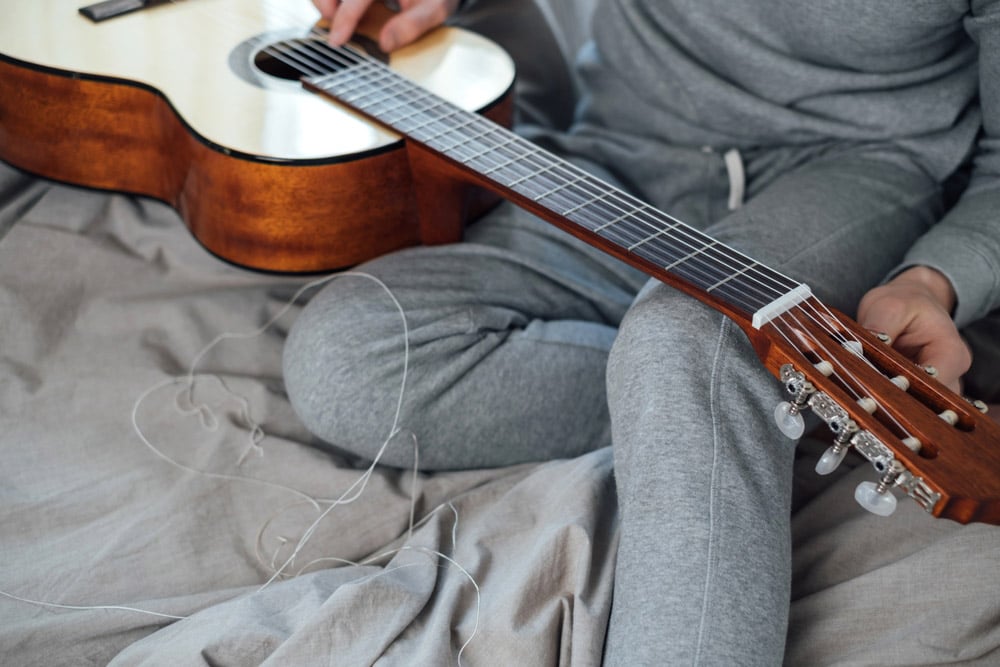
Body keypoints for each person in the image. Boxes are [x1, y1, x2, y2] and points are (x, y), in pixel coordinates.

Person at [285, 0, 1000, 663]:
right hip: (620, 151)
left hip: (852, 166)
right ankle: (735, 407)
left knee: (685, 336)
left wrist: (932, 279)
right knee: (345, 358)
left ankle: (711, 391)